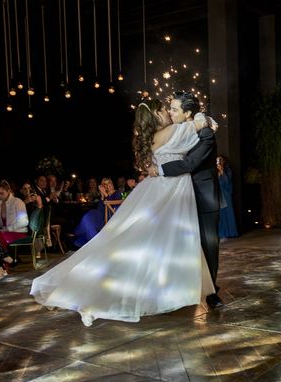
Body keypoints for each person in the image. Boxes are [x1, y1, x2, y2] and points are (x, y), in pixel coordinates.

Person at [30, 98, 215, 326]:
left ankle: (170, 292)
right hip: (170, 192)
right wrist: (200, 118)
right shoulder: (171, 131)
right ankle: (95, 299)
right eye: (164, 110)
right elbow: (201, 125)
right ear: (157, 116)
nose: (168, 112)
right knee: (160, 244)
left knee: (148, 244)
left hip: (162, 190)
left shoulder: (151, 138)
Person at [148, 91, 224, 309]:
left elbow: (190, 163)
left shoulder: (206, 133)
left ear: (188, 113)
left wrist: (159, 170)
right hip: (180, 197)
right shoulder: (178, 131)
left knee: (209, 246)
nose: (170, 113)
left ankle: (211, 293)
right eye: (169, 109)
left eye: (174, 109)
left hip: (204, 198)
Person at [70, 177, 122, 248]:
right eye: (105, 184)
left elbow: (113, 208)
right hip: (100, 215)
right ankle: (95, 244)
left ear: (112, 183)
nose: (107, 185)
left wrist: (105, 195)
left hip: (109, 218)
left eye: (109, 183)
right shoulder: (104, 195)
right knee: (88, 217)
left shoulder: (117, 193)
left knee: (88, 220)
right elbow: (100, 209)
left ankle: (76, 233)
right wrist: (102, 196)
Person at [216, 155, 239, 238]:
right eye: (218, 160)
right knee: (220, 213)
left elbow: (227, 182)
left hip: (226, 193)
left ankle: (231, 232)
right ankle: (221, 233)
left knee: (228, 212)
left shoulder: (228, 170)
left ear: (224, 161)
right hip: (218, 193)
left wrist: (222, 171)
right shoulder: (214, 170)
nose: (219, 161)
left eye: (220, 160)